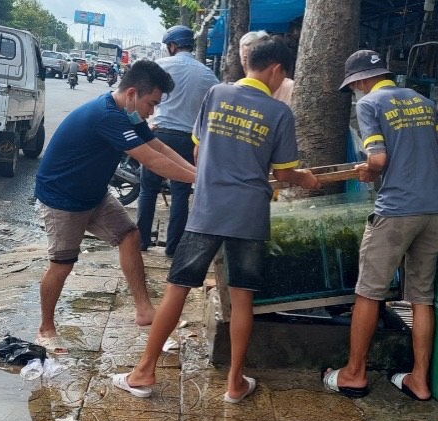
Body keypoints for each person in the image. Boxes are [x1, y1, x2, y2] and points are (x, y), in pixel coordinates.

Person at [114, 36, 320, 400]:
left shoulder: (217, 95)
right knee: (242, 299)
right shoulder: (278, 112)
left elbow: (197, 148)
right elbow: (285, 172)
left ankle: (144, 372)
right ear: (276, 70)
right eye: (283, 74)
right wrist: (306, 177)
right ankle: (235, 383)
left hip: (207, 208)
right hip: (249, 215)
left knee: (178, 287)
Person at [35, 60, 197, 353]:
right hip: (63, 197)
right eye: (152, 103)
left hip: (94, 194)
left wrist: (199, 173)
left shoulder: (128, 114)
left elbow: (159, 147)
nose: (153, 112)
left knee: (130, 235)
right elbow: (152, 161)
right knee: (62, 265)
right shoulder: (107, 116)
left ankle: (144, 311)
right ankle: (46, 328)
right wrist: (201, 179)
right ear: (133, 94)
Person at [321, 50, 438, 401]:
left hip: (395, 211)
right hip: (433, 211)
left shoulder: (370, 105)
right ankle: (420, 380)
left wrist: (370, 170)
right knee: (421, 298)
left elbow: (377, 158)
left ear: (359, 81)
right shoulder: (424, 103)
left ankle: (353, 374)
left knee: (369, 291)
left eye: (353, 87)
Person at [138, 25, 218, 257]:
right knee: (181, 193)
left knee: (148, 189)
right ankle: (173, 247)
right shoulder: (208, 75)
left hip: (158, 134)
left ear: (172, 46)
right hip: (187, 139)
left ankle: (142, 241)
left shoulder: (160, 66)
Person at [239, 31, 294, 106]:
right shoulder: (235, 88)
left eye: (255, 59)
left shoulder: (289, 89)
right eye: (245, 59)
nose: (249, 64)